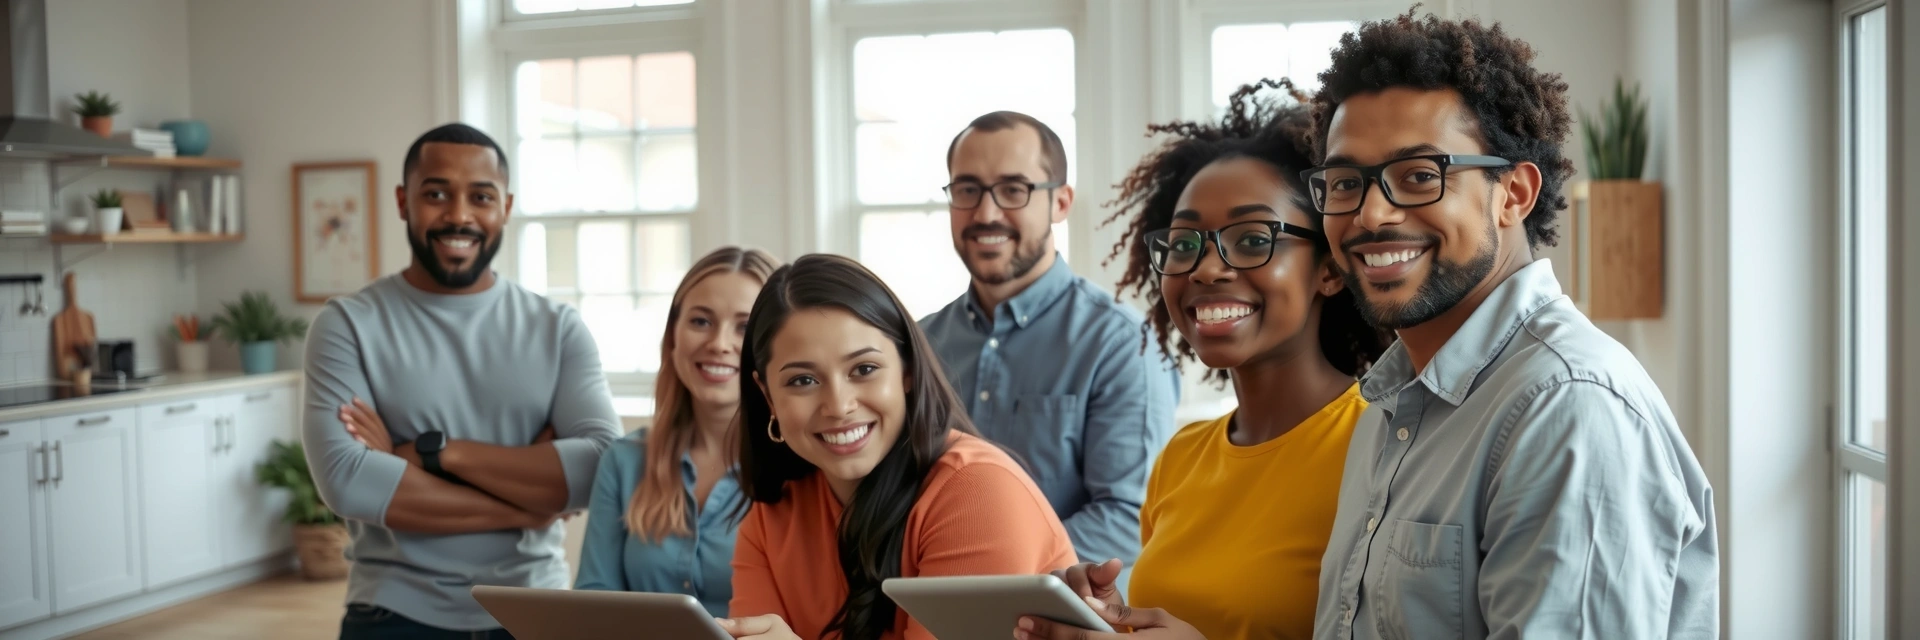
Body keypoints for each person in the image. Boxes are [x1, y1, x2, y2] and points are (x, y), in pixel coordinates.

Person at [1301, 11, 1713, 639]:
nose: (1372, 213)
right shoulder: (1390, 407)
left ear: (1513, 194)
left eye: (1419, 176)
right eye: (1345, 182)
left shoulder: (1568, 407)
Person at [1014, 80, 1392, 640]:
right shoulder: (1181, 459)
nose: (1206, 269)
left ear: (1330, 269)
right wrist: (1109, 622)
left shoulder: (1383, 444)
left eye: (1250, 238)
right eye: (1186, 244)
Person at [303, 122, 622, 639]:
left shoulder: (557, 328)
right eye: (436, 194)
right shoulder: (347, 324)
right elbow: (346, 480)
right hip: (391, 615)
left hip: (534, 611)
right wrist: (530, 506)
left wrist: (435, 453)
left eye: (481, 196)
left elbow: (601, 467)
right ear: (403, 201)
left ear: (507, 208)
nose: (458, 215)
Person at [717, 254, 1078, 640]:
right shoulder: (771, 516)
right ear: (767, 396)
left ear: (907, 369)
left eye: (864, 370)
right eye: (803, 381)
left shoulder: (978, 492)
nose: (839, 406)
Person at [919, 111, 1179, 585]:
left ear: (1061, 201)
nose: (986, 213)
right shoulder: (917, 346)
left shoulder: (1123, 345)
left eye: (1014, 189)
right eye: (967, 189)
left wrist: (987, 570)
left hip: (1064, 622)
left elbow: (1129, 517)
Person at [573, 246, 779, 616]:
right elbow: (594, 601)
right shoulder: (624, 461)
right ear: (672, 336)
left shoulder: (801, 470)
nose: (718, 344)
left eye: (745, 327)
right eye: (701, 321)